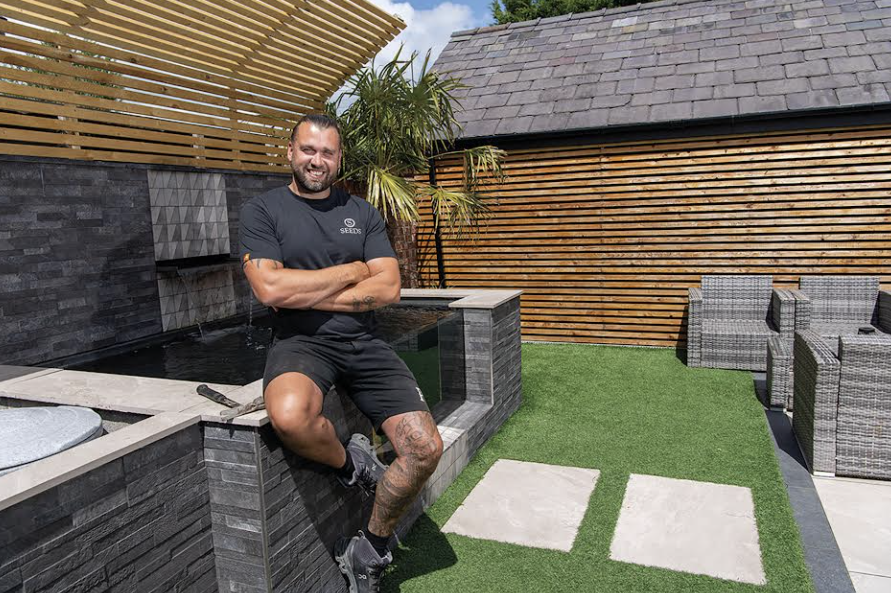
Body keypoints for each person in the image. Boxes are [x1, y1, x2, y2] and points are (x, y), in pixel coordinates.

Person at [239, 113, 443, 593]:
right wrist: (352, 270)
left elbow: (388, 288)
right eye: (308, 150)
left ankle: (368, 550)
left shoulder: (362, 212)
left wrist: (302, 291)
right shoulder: (263, 211)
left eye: (327, 152)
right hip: (300, 343)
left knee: (425, 448)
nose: (317, 160)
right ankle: (352, 467)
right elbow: (269, 289)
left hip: (364, 341)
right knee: (290, 417)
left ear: (339, 159)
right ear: (290, 152)